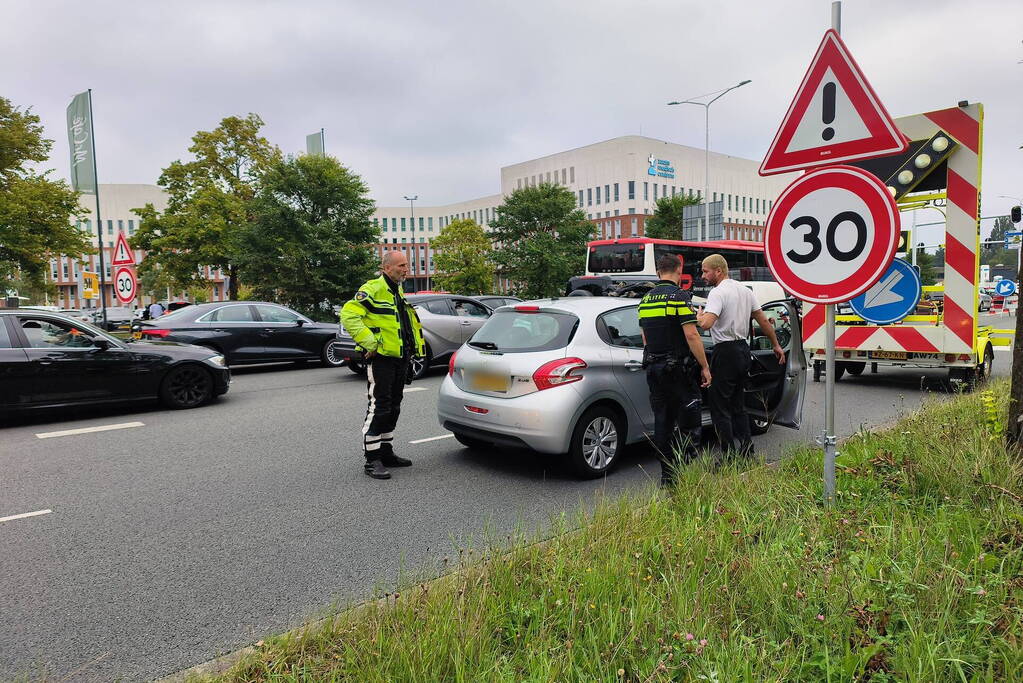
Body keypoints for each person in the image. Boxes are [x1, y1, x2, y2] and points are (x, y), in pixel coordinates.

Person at [340, 251, 426, 480]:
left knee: (394, 406)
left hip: (400, 357)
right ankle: (372, 459)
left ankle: (386, 453)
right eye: (401, 265)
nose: (406, 269)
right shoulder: (373, 288)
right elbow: (348, 315)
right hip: (382, 359)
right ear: (387, 268)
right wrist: (370, 343)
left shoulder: (396, 289)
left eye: (407, 265)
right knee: (379, 406)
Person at [696, 254, 785, 462]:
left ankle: (728, 457)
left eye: (705, 271)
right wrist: (776, 344)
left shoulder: (717, 293)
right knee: (738, 405)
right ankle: (746, 451)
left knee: (720, 408)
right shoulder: (745, 291)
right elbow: (763, 320)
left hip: (725, 352)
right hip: (743, 350)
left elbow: (707, 324)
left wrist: (699, 317)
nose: (702, 276)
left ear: (718, 271)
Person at [638, 254, 712, 487]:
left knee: (663, 421)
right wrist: (705, 366)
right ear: (679, 270)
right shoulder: (679, 296)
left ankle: (667, 476)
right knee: (689, 420)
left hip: (654, 369)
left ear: (658, 272)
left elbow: (645, 338)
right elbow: (691, 335)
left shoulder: (646, 300)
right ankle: (683, 471)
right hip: (678, 370)